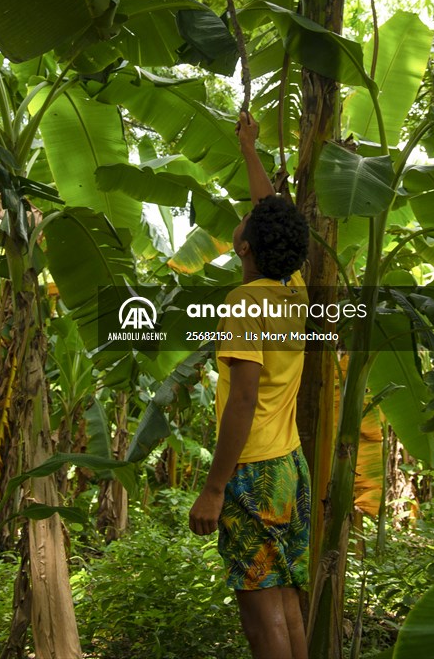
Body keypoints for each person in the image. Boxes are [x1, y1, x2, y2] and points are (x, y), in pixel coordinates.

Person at [189, 111, 310, 659]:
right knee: (282, 595)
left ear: (244, 249)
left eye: (246, 225)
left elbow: (242, 399)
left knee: (261, 616)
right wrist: (248, 148)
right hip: (289, 465)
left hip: (252, 471)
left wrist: (215, 487)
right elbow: (270, 212)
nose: (245, 219)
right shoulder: (293, 289)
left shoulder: (245, 303)